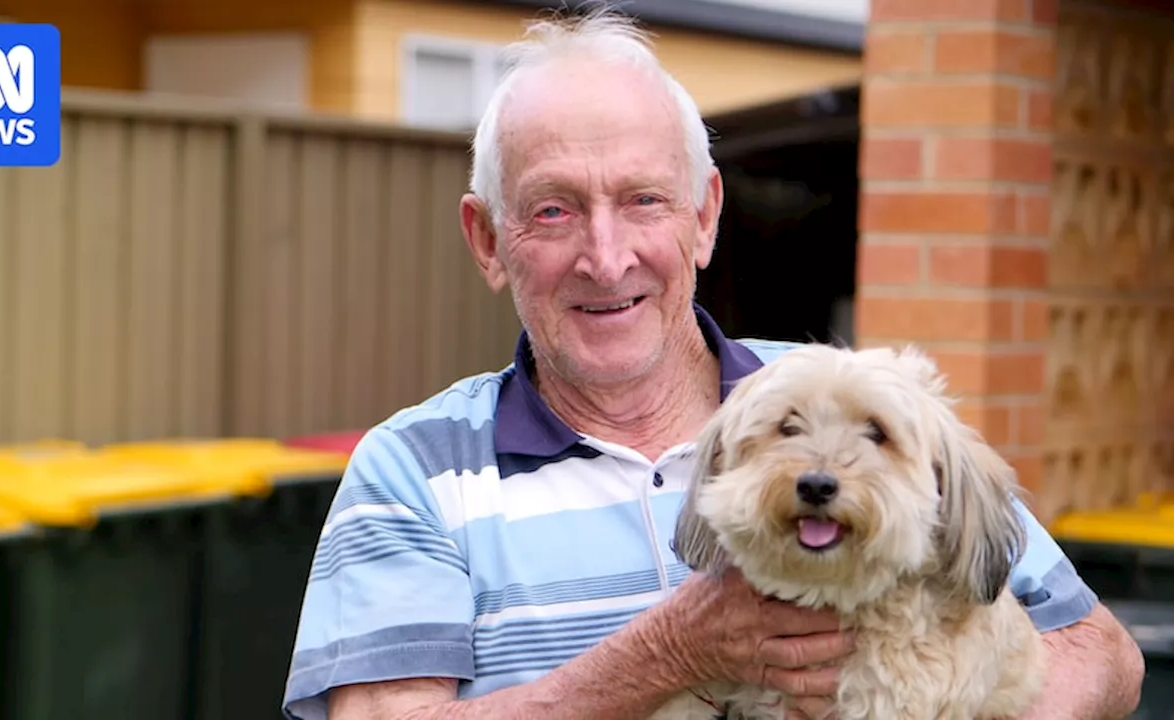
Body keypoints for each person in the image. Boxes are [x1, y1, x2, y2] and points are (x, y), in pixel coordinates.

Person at [283, 8, 1144, 720]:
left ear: (704, 217)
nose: (605, 255)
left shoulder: (840, 400)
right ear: (487, 239)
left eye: (643, 200)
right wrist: (666, 653)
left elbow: (1101, 653)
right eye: (553, 210)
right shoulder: (411, 471)